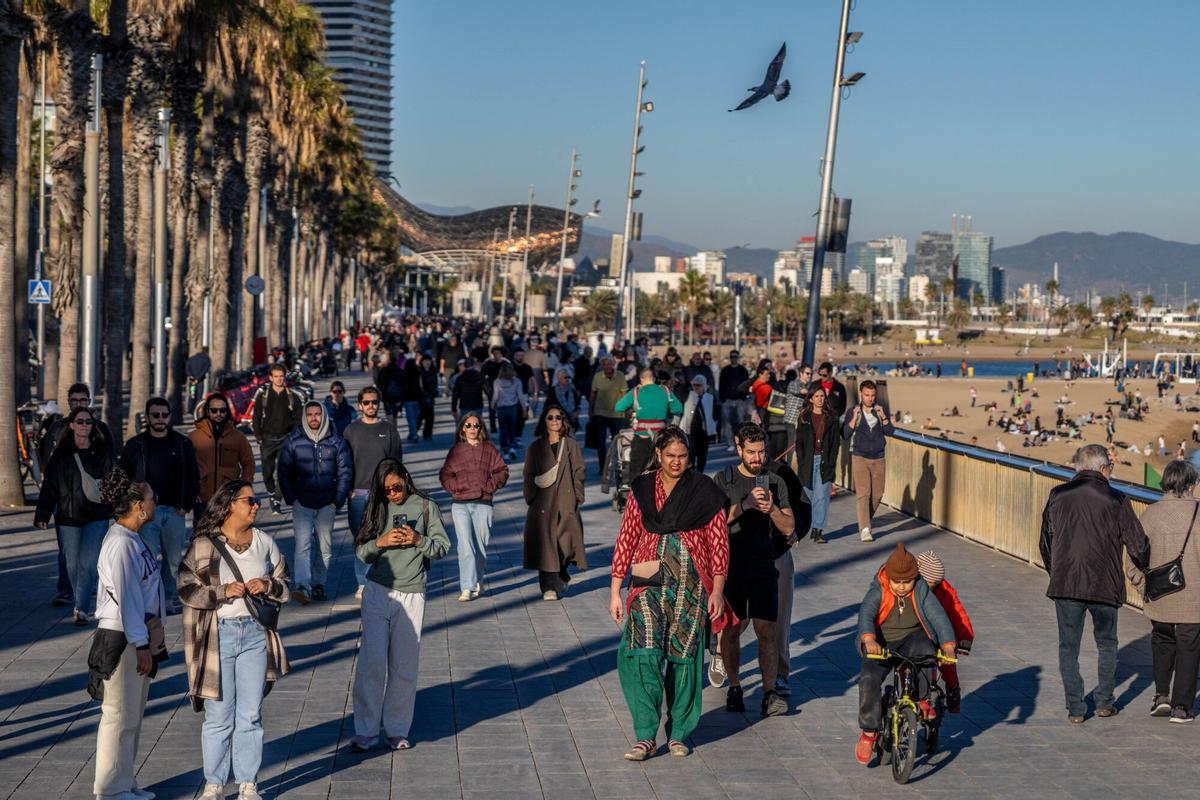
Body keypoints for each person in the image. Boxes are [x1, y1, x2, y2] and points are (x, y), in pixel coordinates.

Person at [610, 427, 733, 761]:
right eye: (670, 456)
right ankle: (645, 735)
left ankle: (679, 732)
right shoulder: (642, 489)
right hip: (648, 582)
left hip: (691, 587)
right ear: (659, 455)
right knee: (644, 651)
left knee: (683, 657)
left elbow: (719, 544)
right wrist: (615, 590)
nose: (677, 462)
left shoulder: (704, 491)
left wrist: (718, 590)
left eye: (682, 456)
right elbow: (626, 538)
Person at [178, 480, 291, 800]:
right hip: (218, 636)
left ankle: (247, 783)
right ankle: (213, 784)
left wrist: (267, 585)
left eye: (256, 502)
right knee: (218, 715)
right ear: (229, 505)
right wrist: (221, 592)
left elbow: (285, 584)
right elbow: (185, 588)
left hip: (255, 635)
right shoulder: (205, 545)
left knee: (251, 714)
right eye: (249, 501)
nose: (256, 506)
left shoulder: (265, 542)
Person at [1039, 444, 1149, 722]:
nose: (1111, 473)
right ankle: (1104, 703)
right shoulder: (1117, 499)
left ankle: (1076, 708)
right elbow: (1138, 545)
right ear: (1103, 468)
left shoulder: (1057, 495)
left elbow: (1045, 542)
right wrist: (1148, 569)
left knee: (1068, 647)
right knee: (1107, 644)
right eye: (1111, 468)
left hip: (1066, 584)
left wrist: (1057, 572)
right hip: (1104, 583)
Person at [351, 459, 450, 751]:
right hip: (378, 591)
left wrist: (418, 539)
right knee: (372, 663)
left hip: (412, 594)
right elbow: (361, 552)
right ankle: (366, 730)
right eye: (386, 491)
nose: (393, 494)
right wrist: (381, 542)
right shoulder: (376, 508)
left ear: (406, 479)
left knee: (404, 665)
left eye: (397, 487)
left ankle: (396, 729)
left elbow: (442, 546)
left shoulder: (425, 507)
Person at [90, 467, 166, 800]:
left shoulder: (132, 539)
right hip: (121, 636)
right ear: (137, 505)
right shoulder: (120, 543)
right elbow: (127, 599)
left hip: (134, 634)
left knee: (131, 715)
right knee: (118, 715)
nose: (155, 502)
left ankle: (125, 780)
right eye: (151, 497)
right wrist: (141, 645)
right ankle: (109, 788)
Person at [712, 423, 794, 717]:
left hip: (764, 566)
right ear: (739, 449)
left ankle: (769, 693)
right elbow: (713, 525)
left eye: (761, 452)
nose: (758, 457)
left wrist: (771, 510)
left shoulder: (775, 482)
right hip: (731, 568)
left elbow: (789, 527)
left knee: (767, 632)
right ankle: (735, 686)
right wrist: (744, 505)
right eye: (752, 452)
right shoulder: (724, 479)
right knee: (732, 632)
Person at [855, 543, 957, 764]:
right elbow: (866, 613)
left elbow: (939, 617)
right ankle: (869, 733)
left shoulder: (920, 589)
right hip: (882, 643)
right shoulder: (879, 588)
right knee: (869, 678)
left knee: (926, 653)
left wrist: (948, 644)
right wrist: (869, 639)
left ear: (915, 578)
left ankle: (920, 700)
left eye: (907, 582)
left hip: (911, 639)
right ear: (889, 577)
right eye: (897, 582)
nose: (902, 587)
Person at [118, 396, 201, 615]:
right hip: (145, 514)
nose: (160, 419)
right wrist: (130, 506)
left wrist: (187, 503)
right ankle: (149, 600)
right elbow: (122, 476)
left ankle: (167, 598)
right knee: (148, 559)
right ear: (147, 417)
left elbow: (194, 476)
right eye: (156, 415)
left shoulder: (182, 443)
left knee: (173, 560)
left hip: (174, 511)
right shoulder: (135, 445)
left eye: (164, 415)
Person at [1132, 459, 1200, 723]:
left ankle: (1161, 696)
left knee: (1161, 641)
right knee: (1189, 647)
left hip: (1159, 592)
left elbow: (1134, 553)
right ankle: (1181, 707)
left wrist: (1141, 583)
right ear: (1192, 485)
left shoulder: (1150, 513)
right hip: (1194, 597)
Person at [35, 406, 115, 625]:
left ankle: (80, 607)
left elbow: (114, 482)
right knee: (71, 565)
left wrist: (119, 511)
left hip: (96, 516)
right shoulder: (60, 455)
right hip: (67, 518)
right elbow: (49, 487)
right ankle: (80, 601)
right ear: (71, 425)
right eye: (79, 422)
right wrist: (42, 513)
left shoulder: (101, 452)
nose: (84, 426)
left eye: (88, 422)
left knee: (88, 564)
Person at [277, 401, 353, 604]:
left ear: (324, 416)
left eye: (317, 414)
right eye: (309, 414)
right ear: (304, 417)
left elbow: (345, 471)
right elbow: (283, 471)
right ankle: (303, 585)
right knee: (302, 545)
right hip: (302, 502)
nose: (313, 418)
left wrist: (337, 500)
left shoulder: (336, 441)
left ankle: (319, 583)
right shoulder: (293, 441)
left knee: (325, 547)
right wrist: (291, 497)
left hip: (327, 503)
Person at [439, 413, 509, 602]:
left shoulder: (489, 449)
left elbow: (502, 470)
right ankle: (467, 587)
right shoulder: (456, 450)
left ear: (481, 428)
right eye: (468, 425)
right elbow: (445, 475)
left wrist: (489, 486)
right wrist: (456, 487)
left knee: (480, 547)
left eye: (475, 426)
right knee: (465, 546)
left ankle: (478, 580)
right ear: (462, 428)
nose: (472, 429)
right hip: (460, 504)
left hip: (483, 504)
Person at [343, 386, 405, 599]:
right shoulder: (351, 430)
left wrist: (397, 491)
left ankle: (380, 580)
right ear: (360, 405)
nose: (371, 405)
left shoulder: (389, 429)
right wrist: (347, 490)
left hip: (383, 494)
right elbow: (345, 464)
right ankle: (362, 582)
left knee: (384, 536)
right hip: (358, 494)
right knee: (361, 539)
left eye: (374, 402)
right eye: (367, 402)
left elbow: (397, 462)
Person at [523, 404, 586, 600]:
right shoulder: (536, 447)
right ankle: (548, 588)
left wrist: (578, 496)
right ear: (544, 421)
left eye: (558, 417)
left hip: (566, 502)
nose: (555, 421)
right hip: (543, 503)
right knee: (546, 546)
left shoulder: (571, 445)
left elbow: (579, 472)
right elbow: (528, 474)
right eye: (550, 417)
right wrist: (531, 497)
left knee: (566, 542)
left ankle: (562, 573)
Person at [915, 551, 975, 713]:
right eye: (930, 583)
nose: (933, 587)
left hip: (940, 635)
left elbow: (958, 613)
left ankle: (953, 689)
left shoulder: (945, 591)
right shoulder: (911, 588)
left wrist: (964, 637)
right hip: (917, 635)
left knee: (948, 665)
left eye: (936, 584)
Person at [842, 380, 894, 542]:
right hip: (859, 456)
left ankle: (865, 519)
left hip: (878, 457)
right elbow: (844, 434)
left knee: (878, 494)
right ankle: (865, 528)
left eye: (872, 395)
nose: (870, 398)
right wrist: (854, 417)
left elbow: (890, 431)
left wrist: (884, 416)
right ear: (861, 394)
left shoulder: (880, 410)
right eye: (867, 395)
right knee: (863, 494)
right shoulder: (853, 411)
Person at [189, 393, 255, 516]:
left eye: (223, 410)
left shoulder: (238, 437)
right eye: (214, 410)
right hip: (202, 498)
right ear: (207, 412)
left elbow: (249, 463)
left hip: (229, 498)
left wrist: (244, 486)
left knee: (228, 534)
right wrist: (192, 492)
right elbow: (185, 467)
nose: (218, 414)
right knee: (202, 534)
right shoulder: (193, 437)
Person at [250, 364, 303, 515]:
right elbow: (256, 417)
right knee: (267, 473)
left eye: (282, 376)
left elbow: (298, 419)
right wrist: (258, 437)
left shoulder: (292, 396)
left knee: (283, 471)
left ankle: (276, 499)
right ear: (271, 378)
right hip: (266, 439)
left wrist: (293, 436)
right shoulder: (263, 396)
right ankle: (272, 493)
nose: (279, 379)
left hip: (285, 439)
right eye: (276, 376)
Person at [615, 367, 683, 481]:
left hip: (641, 437)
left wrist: (634, 410)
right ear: (654, 378)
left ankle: (637, 495)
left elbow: (618, 407)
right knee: (661, 470)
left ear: (641, 379)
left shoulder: (636, 392)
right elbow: (678, 408)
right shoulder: (665, 391)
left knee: (636, 470)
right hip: (661, 438)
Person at [795, 382, 839, 544]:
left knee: (822, 496)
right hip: (807, 461)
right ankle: (808, 525)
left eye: (822, 396)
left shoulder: (832, 419)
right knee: (808, 494)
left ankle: (818, 529)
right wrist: (801, 460)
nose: (820, 399)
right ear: (811, 399)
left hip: (824, 460)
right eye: (817, 396)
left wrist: (832, 462)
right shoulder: (804, 417)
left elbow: (835, 443)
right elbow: (799, 442)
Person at [590, 356, 630, 479]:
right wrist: (590, 410)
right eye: (605, 364)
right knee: (601, 442)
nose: (607, 367)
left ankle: (618, 466)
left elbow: (624, 395)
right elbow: (593, 394)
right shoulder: (597, 377)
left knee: (617, 442)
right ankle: (603, 467)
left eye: (609, 364)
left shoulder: (620, 376)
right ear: (602, 366)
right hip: (600, 413)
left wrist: (625, 411)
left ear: (613, 365)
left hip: (616, 414)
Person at [680, 374, 716, 472]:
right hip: (690, 430)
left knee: (702, 455)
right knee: (690, 454)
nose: (696, 387)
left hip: (704, 431)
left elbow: (715, 414)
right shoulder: (689, 395)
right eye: (694, 385)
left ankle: (699, 474)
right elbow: (681, 390)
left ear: (704, 385)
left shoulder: (710, 397)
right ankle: (690, 474)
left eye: (699, 385)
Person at [491, 363, 527, 460]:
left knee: (503, 430)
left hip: (501, 408)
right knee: (512, 429)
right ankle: (512, 448)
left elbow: (495, 396)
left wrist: (492, 405)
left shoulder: (497, 382)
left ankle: (505, 450)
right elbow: (521, 397)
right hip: (513, 408)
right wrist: (524, 409)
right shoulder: (517, 381)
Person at [718, 352, 751, 450]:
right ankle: (731, 443)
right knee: (727, 423)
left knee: (741, 422)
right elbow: (721, 385)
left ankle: (740, 442)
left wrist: (744, 397)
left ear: (738, 358)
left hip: (739, 400)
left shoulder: (743, 370)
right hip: (727, 400)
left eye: (735, 357)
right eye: (732, 357)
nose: (733, 358)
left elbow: (747, 383)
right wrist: (722, 399)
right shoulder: (725, 370)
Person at [451, 357, 487, 421]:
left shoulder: (460, 378)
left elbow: (455, 394)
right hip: (477, 405)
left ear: (465, 365)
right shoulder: (480, 376)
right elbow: (487, 390)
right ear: (474, 365)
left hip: (464, 406)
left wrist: (454, 408)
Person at [417, 354, 439, 440]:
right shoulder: (419, 372)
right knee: (420, 416)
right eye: (425, 361)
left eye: (429, 361)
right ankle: (414, 431)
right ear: (422, 362)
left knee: (430, 418)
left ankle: (427, 435)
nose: (427, 363)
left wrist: (434, 391)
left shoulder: (433, 371)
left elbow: (435, 384)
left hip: (431, 397)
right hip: (421, 397)